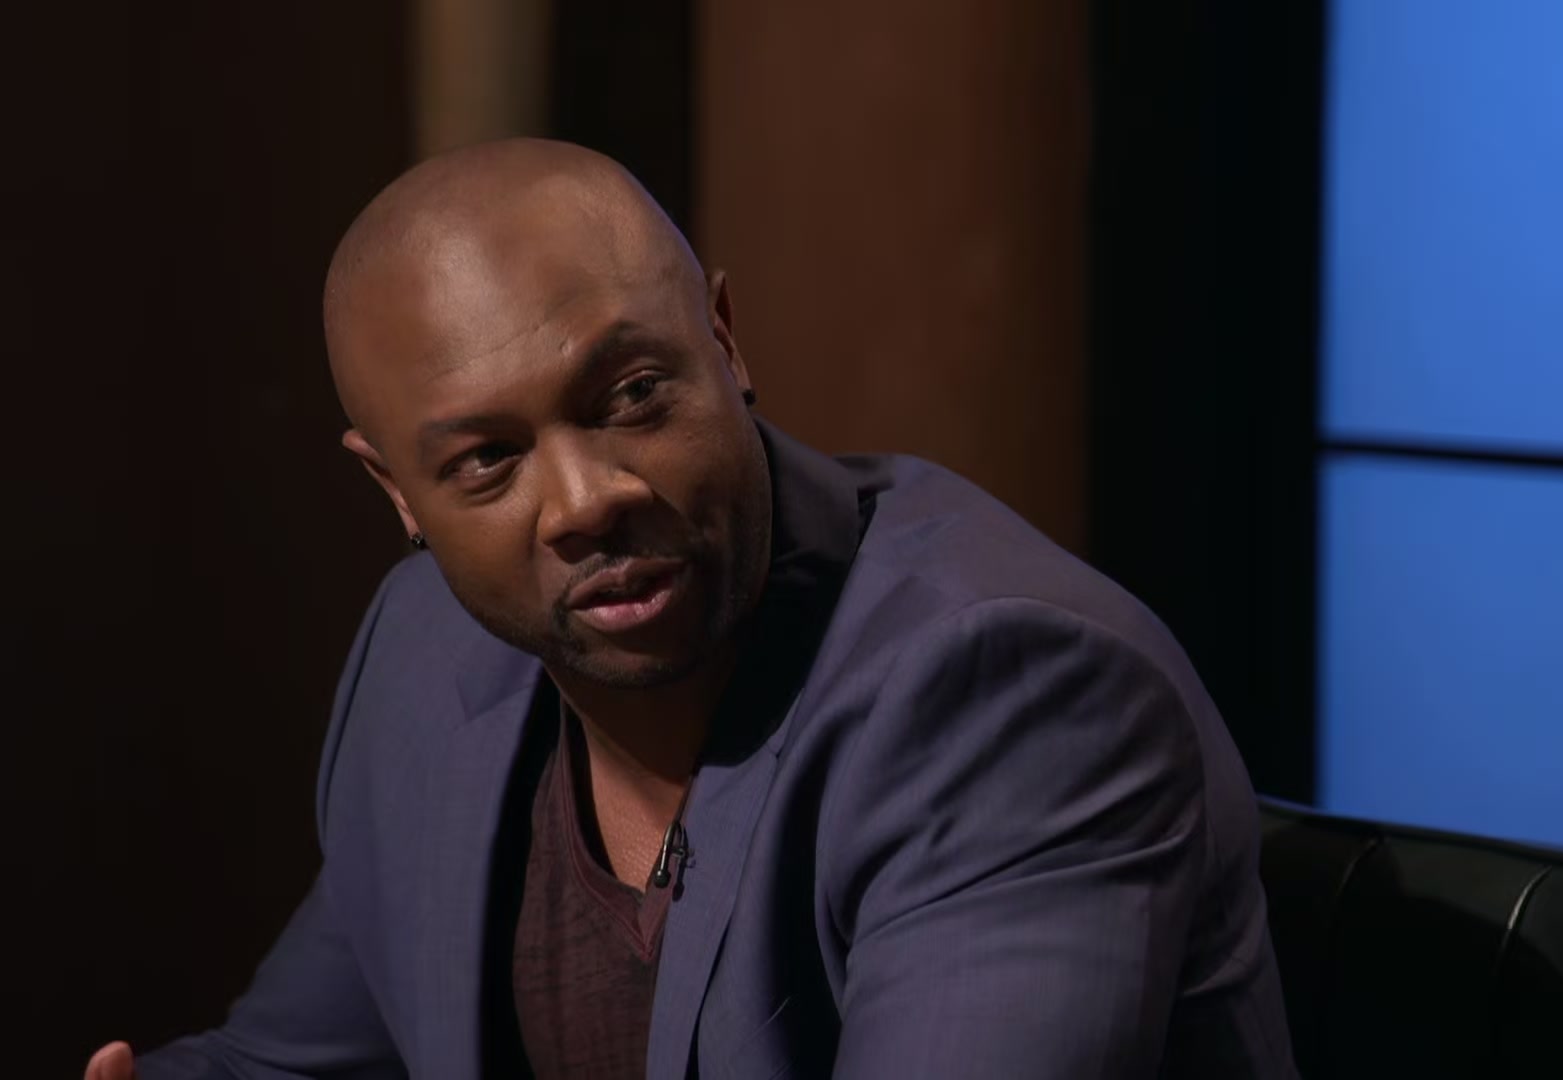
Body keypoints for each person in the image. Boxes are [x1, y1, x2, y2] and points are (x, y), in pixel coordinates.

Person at [86, 138, 1296, 1079]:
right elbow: (296, 1061)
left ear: (724, 340)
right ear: (398, 492)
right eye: (488, 462)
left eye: (631, 395)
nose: (586, 502)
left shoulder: (1005, 694)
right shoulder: (427, 650)